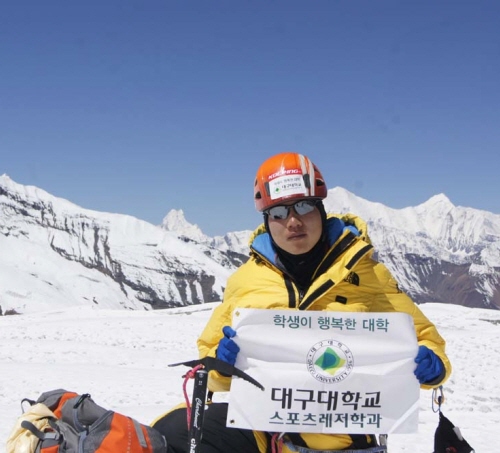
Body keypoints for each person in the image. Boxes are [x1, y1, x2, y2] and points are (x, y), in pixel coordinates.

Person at [152, 152, 451, 452]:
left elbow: (425, 338)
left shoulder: (369, 275)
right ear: (267, 220)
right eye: (279, 212)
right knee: (173, 431)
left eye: (304, 206)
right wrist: (221, 365)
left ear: (321, 209)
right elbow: (208, 365)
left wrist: (434, 366)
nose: (293, 221)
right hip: (268, 436)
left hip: (347, 441)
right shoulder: (246, 281)